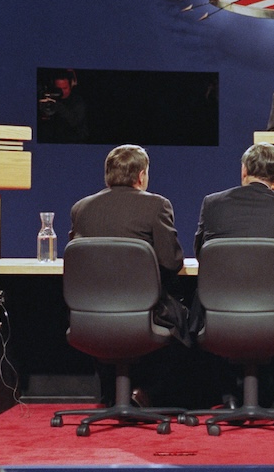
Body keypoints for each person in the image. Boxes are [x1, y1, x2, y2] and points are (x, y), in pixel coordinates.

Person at [192, 142, 274, 406]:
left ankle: (228, 396)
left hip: (220, 312)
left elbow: (203, 255)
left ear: (243, 171)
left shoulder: (212, 204)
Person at [69, 144, 189, 344]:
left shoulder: (80, 208)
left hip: (89, 315)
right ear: (141, 176)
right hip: (145, 314)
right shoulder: (157, 205)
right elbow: (171, 262)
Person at [38, 69, 89, 143]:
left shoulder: (77, 101)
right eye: (58, 89)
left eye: (65, 88)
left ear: (71, 86)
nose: (62, 92)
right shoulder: (49, 99)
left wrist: (57, 106)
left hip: (75, 142)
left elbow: (74, 121)